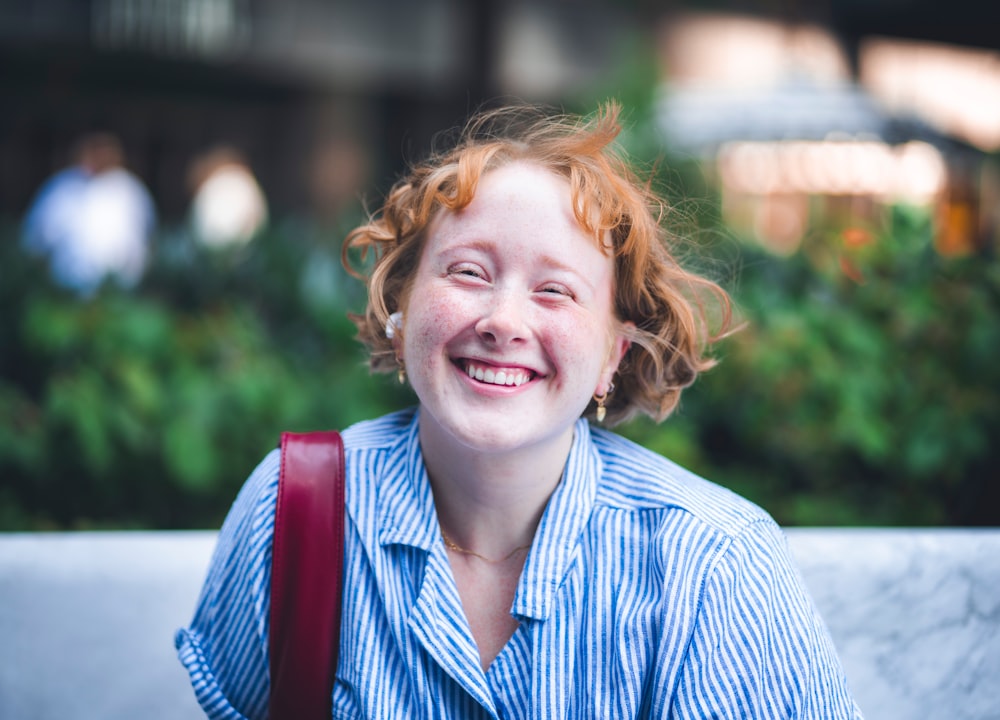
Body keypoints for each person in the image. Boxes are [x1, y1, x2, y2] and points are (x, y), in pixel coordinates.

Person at [175, 102, 862, 719]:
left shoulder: (715, 567)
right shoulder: (290, 509)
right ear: (401, 305)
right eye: (468, 272)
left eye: (556, 291)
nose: (503, 321)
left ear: (612, 355)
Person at [22, 132, 155, 296]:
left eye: (104, 150)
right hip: (67, 292)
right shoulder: (61, 188)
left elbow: (149, 238)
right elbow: (36, 240)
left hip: (121, 294)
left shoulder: (132, 190)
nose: (99, 156)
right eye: (94, 150)